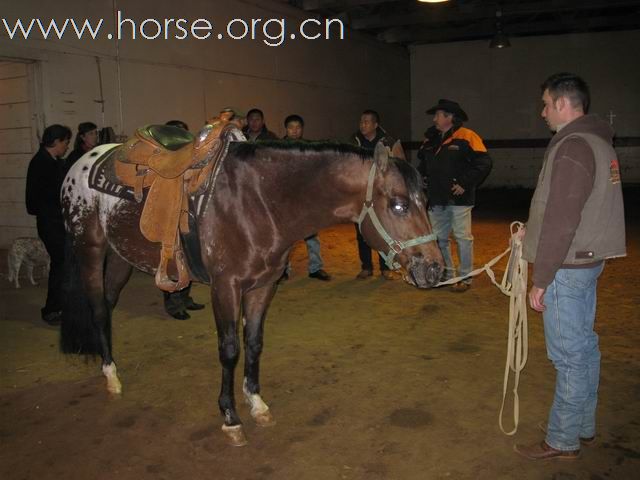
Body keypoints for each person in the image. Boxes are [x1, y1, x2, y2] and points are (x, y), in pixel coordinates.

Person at [514, 73, 626, 460]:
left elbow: (563, 219)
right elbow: (565, 210)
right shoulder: (596, 142)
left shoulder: (573, 146)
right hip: (585, 262)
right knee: (585, 349)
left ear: (563, 104)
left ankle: (562, 438)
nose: (542, 112)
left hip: (565, 268)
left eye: (546, 104)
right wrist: (528, 233)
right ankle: (582, 426)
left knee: (569, 357)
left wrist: (541, 278)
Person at [417, 99, 492, 292]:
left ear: (449, 117)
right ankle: (448, 274)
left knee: (462, 238)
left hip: (459, 200)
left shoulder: (468, 136)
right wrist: (423, 178)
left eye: (438, 115)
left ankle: (465, 277)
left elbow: (484, 163)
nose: (434, 119)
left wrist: (465, 184)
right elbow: (423, 165)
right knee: (439, 239)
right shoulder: (430, 140)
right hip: (436, 199)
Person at [25, 124, 72, 326]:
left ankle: (60, 304)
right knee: (60, 265)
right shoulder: (40, 164)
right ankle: (51, 310)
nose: (67, 146)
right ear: (56, 142)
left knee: (64, 264)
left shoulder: (54, 162)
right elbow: (33, 203)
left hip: (58, 222)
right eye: (65, 142)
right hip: (50, 224)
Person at [161, 119, 205, 320]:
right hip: (170, 213)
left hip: (188, 212)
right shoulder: (163, 158)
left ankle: (185, 297)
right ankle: (173, 303)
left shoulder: (190, 157)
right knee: (172, 258)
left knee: (187, 258)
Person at [350, 110, 401, 280]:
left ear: (375, 125)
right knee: (362, 232)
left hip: (381, 193)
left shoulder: (388, 142)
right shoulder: (354, 141)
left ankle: (385, 267)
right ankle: (366, 267)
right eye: (361, 122)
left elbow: (400, 164)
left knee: (382, 231)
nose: (362, 125)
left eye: (366, 122)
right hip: (361, 193)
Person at [282, 114, 331, 281]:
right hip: (287, 200)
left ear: (302, 129)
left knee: (311, 236)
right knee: (286, 239)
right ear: (285, 130)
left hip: (306, 199)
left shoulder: (310, 148)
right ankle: (283, 270)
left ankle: (315, 268)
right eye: (291, 127)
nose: (294, 131)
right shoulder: (278, 148)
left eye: (298, 127)